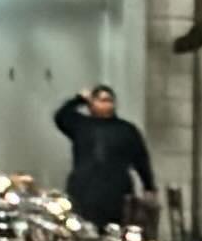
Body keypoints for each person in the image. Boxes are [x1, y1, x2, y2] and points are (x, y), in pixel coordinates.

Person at [54, 82, 155, 228]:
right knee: (81, 227)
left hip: (115, 190)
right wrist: (79, 99)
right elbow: (61, 116)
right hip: (83, 188)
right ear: (91, 104)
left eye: (109, 100)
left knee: (113, 230)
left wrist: (149, 186)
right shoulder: (80, 124)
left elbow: (141, 159)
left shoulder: (126, 129)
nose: (106, 105)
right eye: (101, 100)